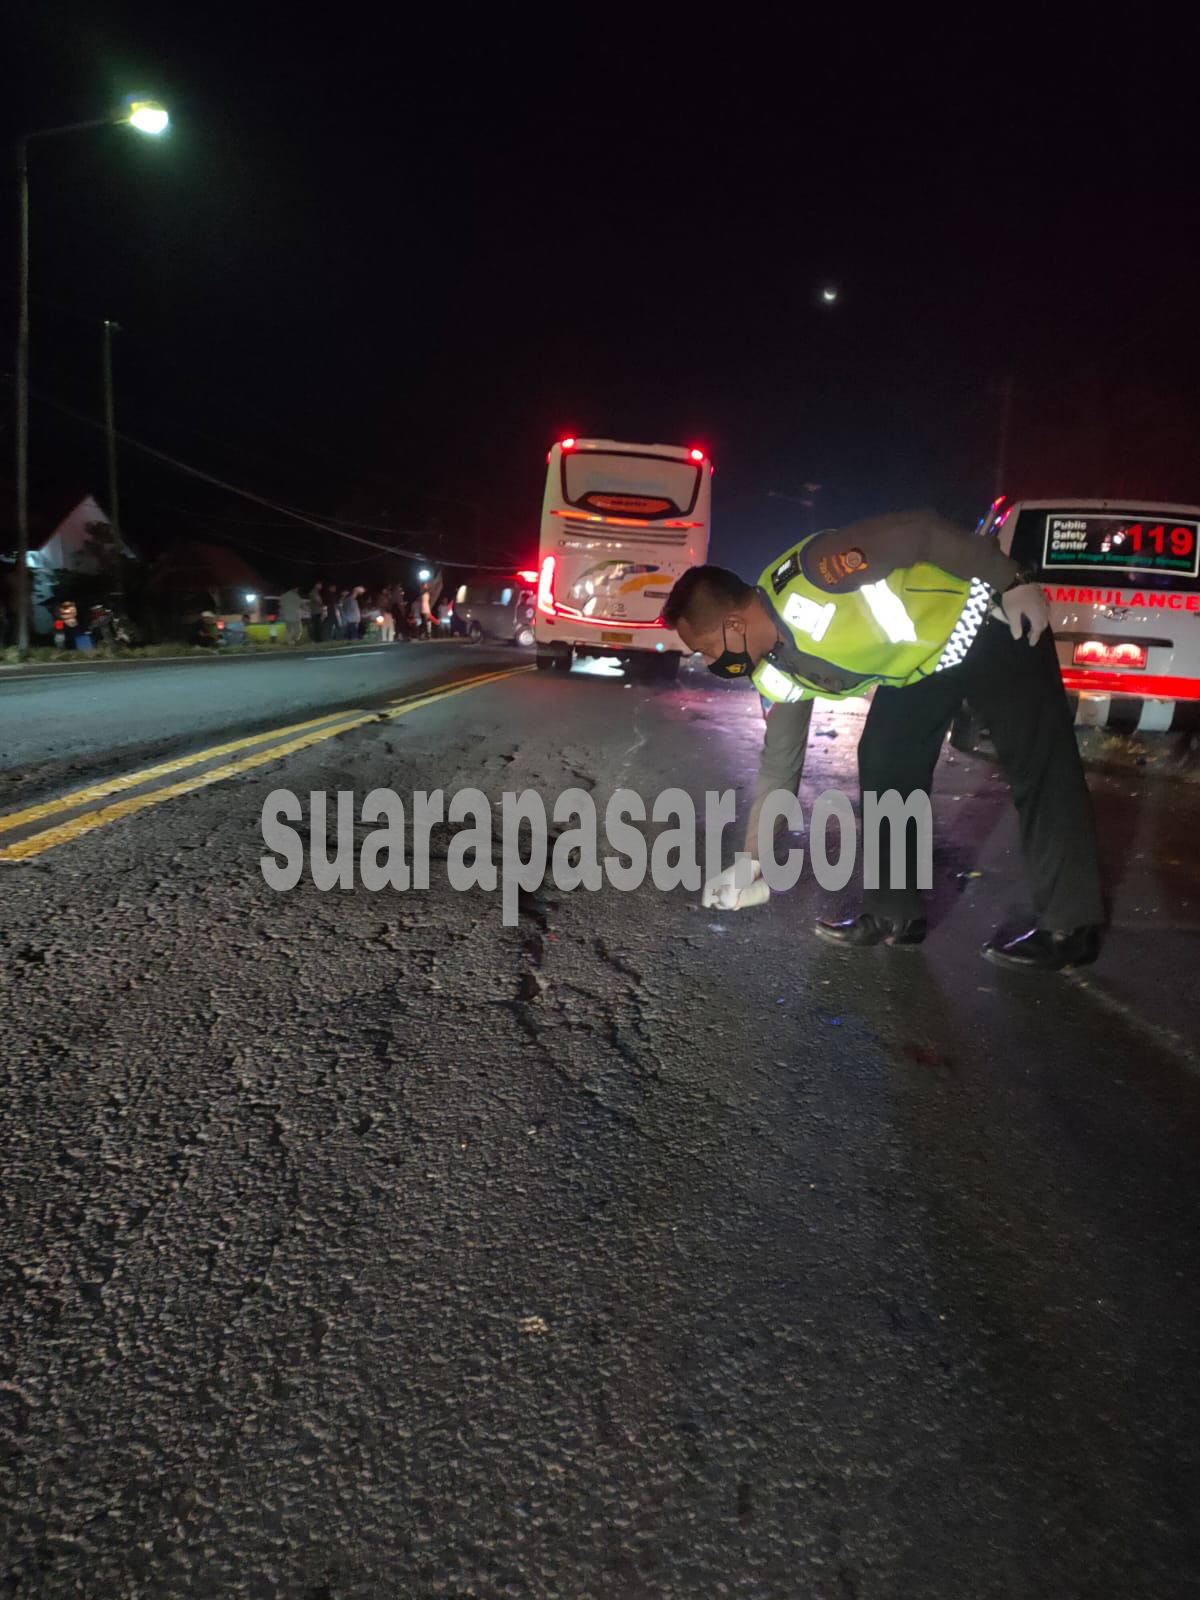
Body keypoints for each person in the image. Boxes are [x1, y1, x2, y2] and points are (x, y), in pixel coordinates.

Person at [662, 509, 1106, 972]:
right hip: (920, 666)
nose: (710, 661)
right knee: (885, 758)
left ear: (734, 625)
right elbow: (779, 766)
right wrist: (751, 862)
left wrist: (1012, 580)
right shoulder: (773, 671)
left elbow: (920, 532)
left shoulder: (820, 570)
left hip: (990, 621)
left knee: (1038, 763)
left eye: (707, 649)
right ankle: (895, 915)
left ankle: (1072, 927)